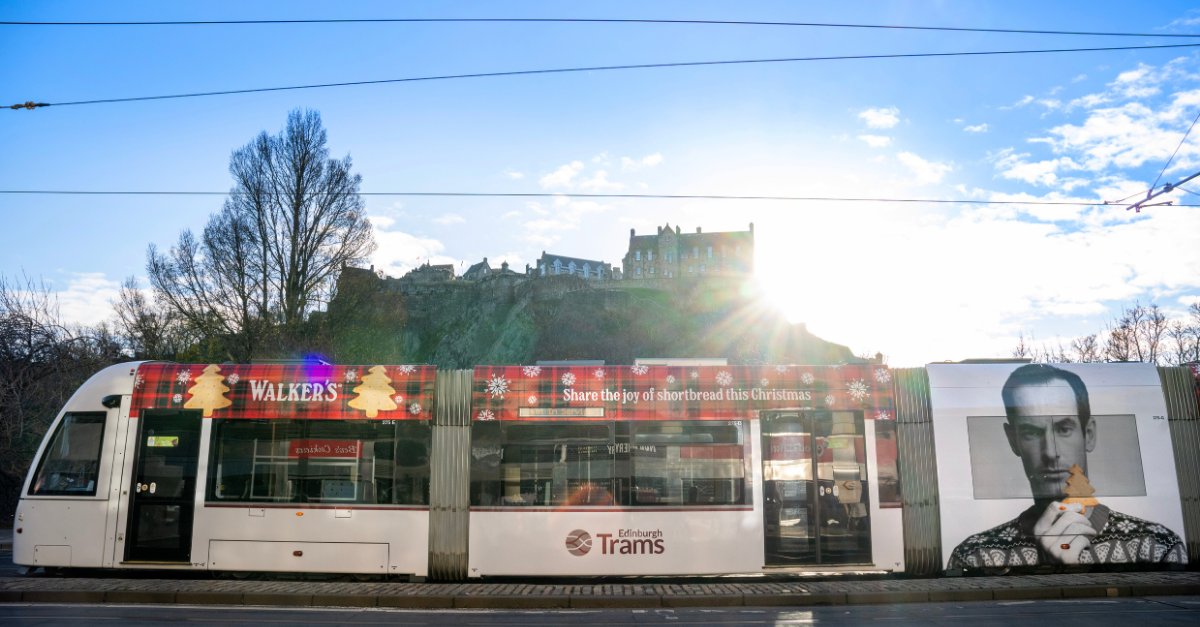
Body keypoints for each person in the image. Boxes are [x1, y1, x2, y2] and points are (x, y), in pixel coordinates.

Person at [948, 364, 1187, 570]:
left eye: (1064, 429)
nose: (1051, 452)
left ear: (1089, 434)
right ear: (1013, 440)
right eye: (1032, 432)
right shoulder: (974, 554)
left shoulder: (1157, 545)